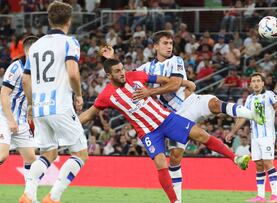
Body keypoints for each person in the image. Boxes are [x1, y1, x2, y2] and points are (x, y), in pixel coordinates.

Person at [101, 30, 264, 202]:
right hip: (172, 116)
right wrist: (109, 58)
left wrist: (151, 91)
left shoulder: (176, 61)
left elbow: (175, 84)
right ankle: (178, 199)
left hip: (190, 103)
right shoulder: (146, 68)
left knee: (215, 104)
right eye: (165, 43)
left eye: (171, 43)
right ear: (155, 46)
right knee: (176, 157)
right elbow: (122, 76)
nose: (169, 46)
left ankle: (253, 114)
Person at [79, 59, 251, 203]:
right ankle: (175, 202)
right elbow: (89, 114)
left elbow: (166, 80)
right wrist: (69, 124)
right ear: (109, 76)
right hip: (148, 132)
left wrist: (180, 84)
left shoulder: (136, 76)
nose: (122, 73)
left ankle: (235, 158)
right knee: (161, 163)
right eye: (117, 71)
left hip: (166, 119)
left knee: (201, 135)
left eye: (122, 69)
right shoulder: (106, 95)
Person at [19, 2, 89, 203]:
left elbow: (25, 80)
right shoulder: (69, 42)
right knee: (80, 154)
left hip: (40, 108)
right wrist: (78, 94)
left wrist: (31, 104)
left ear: (49, 19)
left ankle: (29, 194)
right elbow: (73, 73)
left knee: (48, 153)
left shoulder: (35, 46)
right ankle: (53, 197)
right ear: (69, 20)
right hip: (60, 105)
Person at [225, 72, 277, 203]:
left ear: (263, 83)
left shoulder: (270, 95)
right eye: (253, 81)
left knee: (267, 163)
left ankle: (275, 195)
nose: (256, 83)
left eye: (258, 80)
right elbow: (243, 117)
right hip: (255, 137)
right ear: (250, 84)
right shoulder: (249, 99)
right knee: (258, 165)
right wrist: (232, 132)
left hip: (267, 135)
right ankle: (260, 196)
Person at [0, 36, 38, 184]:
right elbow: (3, 94)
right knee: (2, 155)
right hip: (4, 117)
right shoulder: (16, 67)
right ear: (30, 50)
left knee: (31, 160)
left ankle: (30, 197)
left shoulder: (37, 69)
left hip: (21, 121)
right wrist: (10, 120)